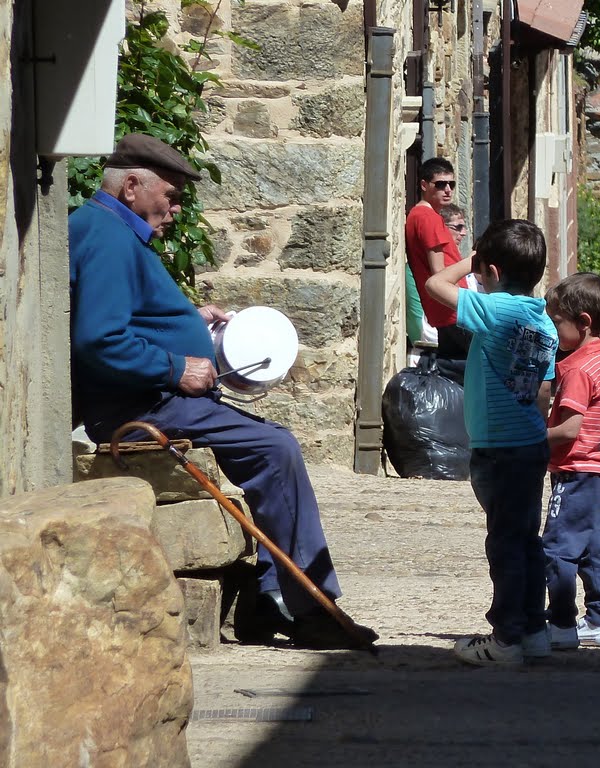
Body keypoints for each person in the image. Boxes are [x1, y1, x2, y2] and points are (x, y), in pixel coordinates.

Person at [69, 133, 377, 650]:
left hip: (153, 395)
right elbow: (100, 339)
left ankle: (269, 598)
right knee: (274, 449)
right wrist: (176, 368)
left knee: (271, 443)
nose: (174, 208)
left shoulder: (108, 230)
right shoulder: (106, 238)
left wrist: (187, 320)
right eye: (169, 195)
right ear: (130, 187)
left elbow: (126, 318)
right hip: (139, 405)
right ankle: (300, 604)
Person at [425, 219, 559, 666]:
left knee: (503, 543)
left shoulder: (495, 310)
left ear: (493, 271)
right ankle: (533, 629)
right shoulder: (543, 320)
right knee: (525, 541)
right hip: (528, 443)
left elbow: (434, 282)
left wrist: (472, 257)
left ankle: (504, 640)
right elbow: (542, 391)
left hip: (498, 449)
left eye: (482, 270)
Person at [541, 273, 600, 650]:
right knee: (591, 547)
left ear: (583, 322)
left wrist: (530, 442)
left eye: (556, 320)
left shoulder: (576, 370)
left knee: (557, 549)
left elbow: (569, 430)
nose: (551, 327)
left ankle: (560, 624)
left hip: (577, 469)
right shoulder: (598, 357)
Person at [405, 158, 472, 362]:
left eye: (451, 184)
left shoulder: (418, 215)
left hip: (446, 311)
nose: (447, 190)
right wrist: (474, 261)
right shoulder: (429, 218)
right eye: (440, 184)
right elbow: (439, 273)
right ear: (424, 185)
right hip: (452, 309)